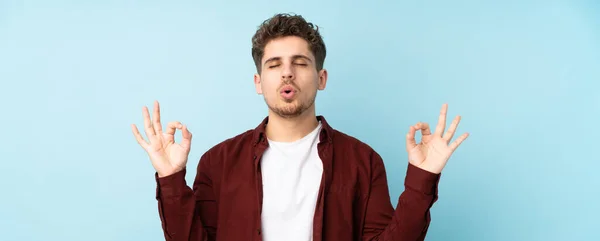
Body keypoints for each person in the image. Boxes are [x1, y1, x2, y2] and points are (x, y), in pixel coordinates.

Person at [131, 13, 468, 241]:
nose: (287, 73)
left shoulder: (363, 161)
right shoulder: (218, 162)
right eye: (274, 64)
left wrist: (422, 178)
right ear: (258, 82)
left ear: (321, 78)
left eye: (300, 63)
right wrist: (170, 178)